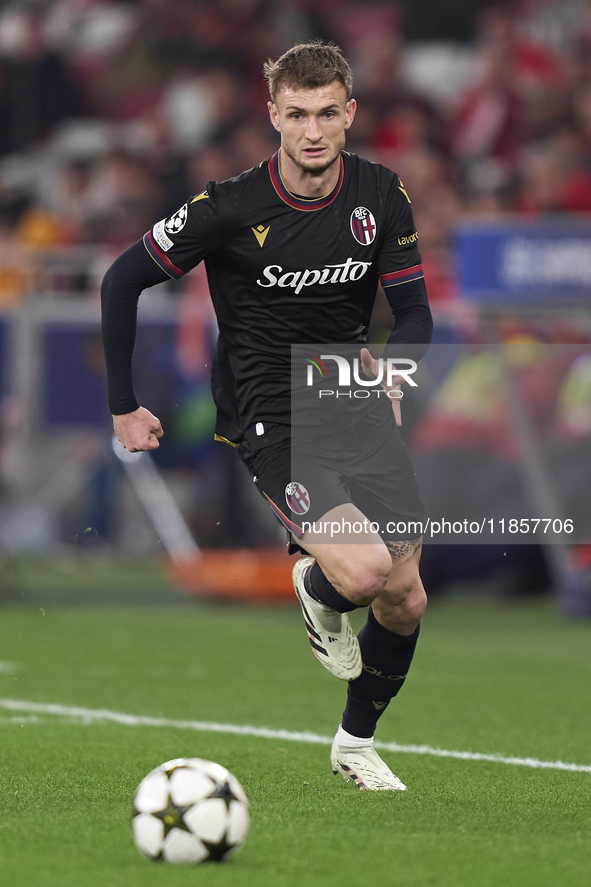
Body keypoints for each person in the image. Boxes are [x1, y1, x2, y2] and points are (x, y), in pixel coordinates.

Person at [101, 41, 432, 791]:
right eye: (296, 116)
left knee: (405, 594)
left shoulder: (382, 195)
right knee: (367, 567)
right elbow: (122, 279)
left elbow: (413, 310)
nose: (311, 131)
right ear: (272, 116)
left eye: (325, 114)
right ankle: (317, 589)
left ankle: (354, 741)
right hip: (272, 408)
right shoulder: (228, 207)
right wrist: (122, 403)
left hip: (349, 395)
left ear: (348, 114)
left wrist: (397, 363)